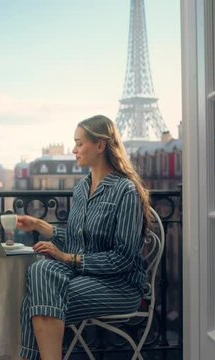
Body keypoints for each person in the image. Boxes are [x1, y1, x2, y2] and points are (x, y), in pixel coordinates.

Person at [16, 114, 151, 360]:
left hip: (118, 284)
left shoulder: (125, 191)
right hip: (83, 274)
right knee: (39, 271)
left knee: (34, 302)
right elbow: (78, 242)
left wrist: (67, 258)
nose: (74, 149)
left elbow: (123, 258)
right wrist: (39, 224)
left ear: (100, 145)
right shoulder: (80, 188)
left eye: (79, 143)